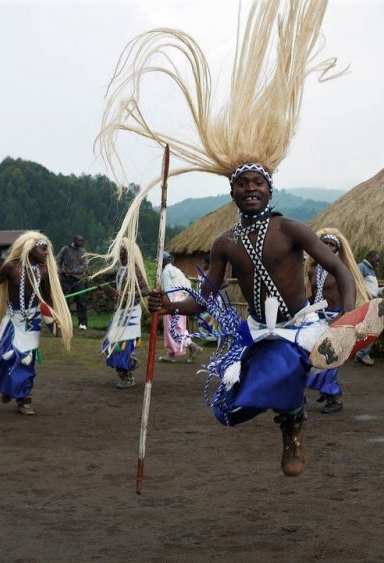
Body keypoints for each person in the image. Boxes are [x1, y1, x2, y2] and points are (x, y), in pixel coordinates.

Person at [98, 1, 355, 476]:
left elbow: (338, 268)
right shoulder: (224, 242)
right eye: (242, 184)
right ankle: (289, 415)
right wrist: (170, 307)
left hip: (297, 325)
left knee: (280, 366)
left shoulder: (290, 228)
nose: (251, 189)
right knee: (231, 404)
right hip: (254, 329)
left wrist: (349, 320)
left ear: (270, 188)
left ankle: (293, 425)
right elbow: (209, 298)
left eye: (258, 182)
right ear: (232, 191)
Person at [0, 232, 73, 415]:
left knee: (25, 360)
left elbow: (47, 297)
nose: (46, 253)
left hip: (32, 322)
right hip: (12, 320)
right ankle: (8, 389)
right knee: (5, 359)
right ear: (29, 248)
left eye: (47, 249)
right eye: (43, 248)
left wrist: (57, 316)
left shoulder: (43, 271)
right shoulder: (11, 267)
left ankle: (24, 399)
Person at [306, 228, 369, 413]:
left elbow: (349, 293)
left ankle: (334, 397)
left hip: (335, 317)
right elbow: (311, 295)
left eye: (332, 244)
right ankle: (326, 392)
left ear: (337, 249)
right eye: (324, 243)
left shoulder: (341, 270)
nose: (327, 246)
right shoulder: (312, 269)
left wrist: (346, 317)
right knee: (314, 355)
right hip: (316, 318)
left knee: (331, 357)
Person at [102, 239, 150, 388]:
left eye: (121, 249)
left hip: (131, 313)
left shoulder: (134, 269)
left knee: (121, 346)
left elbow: (146, 290)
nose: (118, 251)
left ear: (128, 252)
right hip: (121, 312)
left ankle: (127, 376)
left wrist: (129, 294)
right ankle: (130, 362)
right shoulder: (120, 269)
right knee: (109, 344)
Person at [158, 252, 202, 363]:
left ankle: (190, 346)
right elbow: (188, 286)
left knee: (171, 328)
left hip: (172, 300)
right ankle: (173, 352)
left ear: (163, 261)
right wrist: (184, 300)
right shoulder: (178, 271)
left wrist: (170, 305)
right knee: (180, 327)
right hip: (182, 300)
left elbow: (168, 290)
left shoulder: (166, 272)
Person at [354, 250, 384, 365]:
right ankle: (362, 354)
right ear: (369, 258)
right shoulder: (361, 267)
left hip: (370, 302)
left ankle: (362, 354)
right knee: (370, 328)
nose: (378, 263)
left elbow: (372, 290)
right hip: (363, 303)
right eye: (376, 260)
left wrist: (382, 290)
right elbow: (355, 283)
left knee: (368, 329)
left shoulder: (370, 270)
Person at [57, 235, 89, 330]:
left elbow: (85, 267)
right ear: (74, 240)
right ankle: (63, 322)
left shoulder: (83, 252)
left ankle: (82, 323)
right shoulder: (66, 249)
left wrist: (72, 271)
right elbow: (57, 260)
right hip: (65, 278)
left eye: (82, 241)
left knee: (81, 300)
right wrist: (61, 270)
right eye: (79, 241)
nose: (81, 242)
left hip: (78, 279)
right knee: (64, 300)